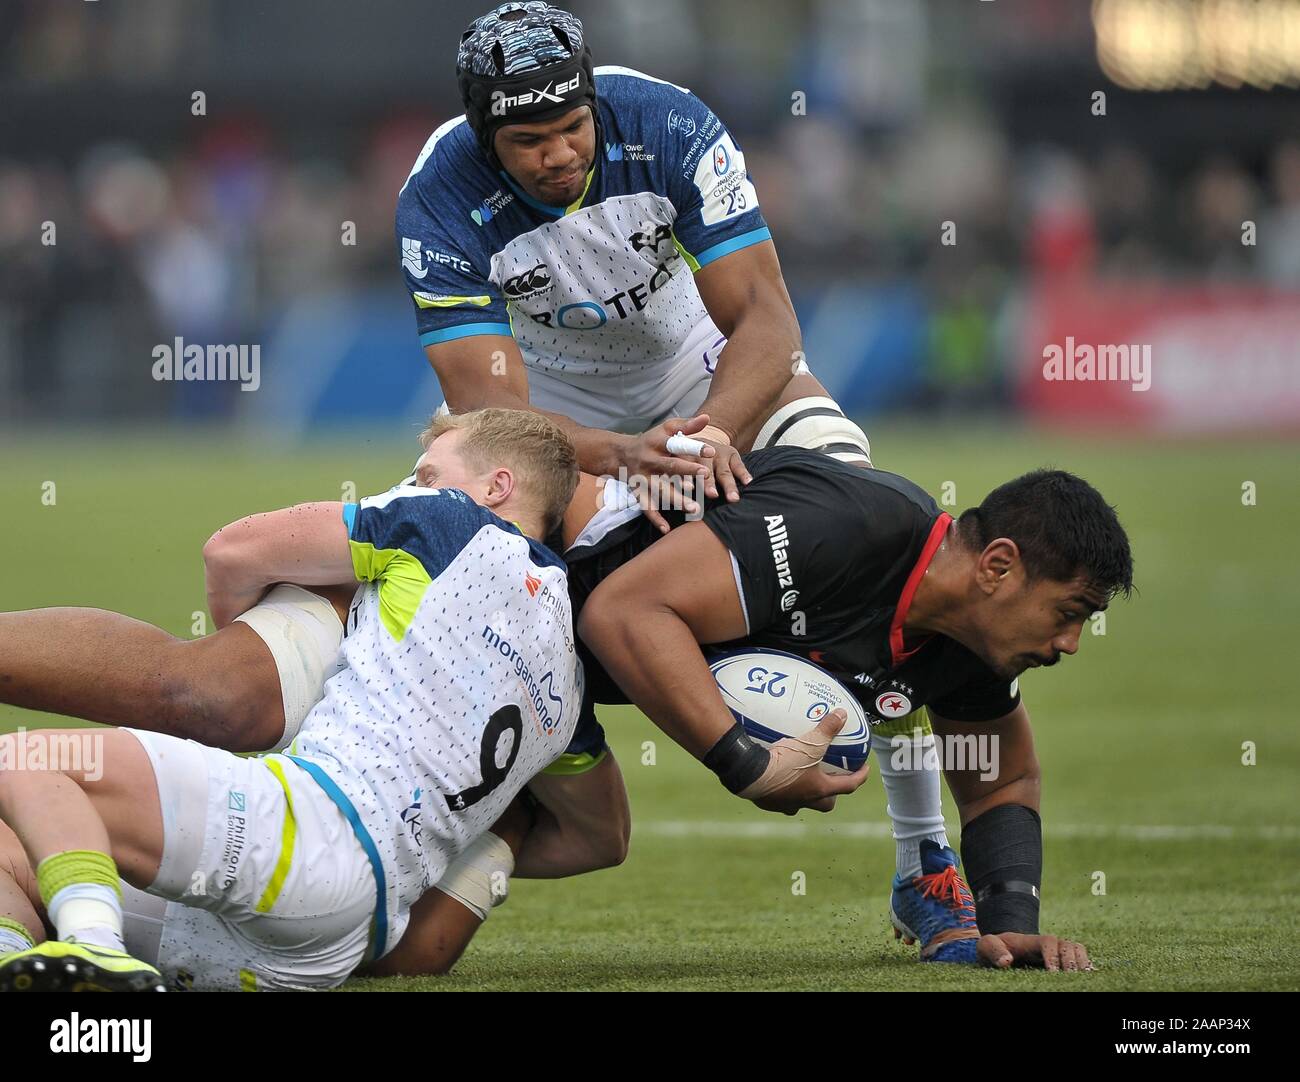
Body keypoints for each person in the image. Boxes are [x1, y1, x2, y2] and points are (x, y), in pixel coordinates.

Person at [0, 409, 584, 991]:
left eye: (428, 474)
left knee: (22, 762)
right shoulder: (568, 678)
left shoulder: (450, 521)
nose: (412, 487)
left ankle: (92, 949)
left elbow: (233, 550)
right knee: (12, 843)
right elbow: (602, 837)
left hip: (308, 836)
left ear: (496, 486)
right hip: (331, 946)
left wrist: (242, 631)